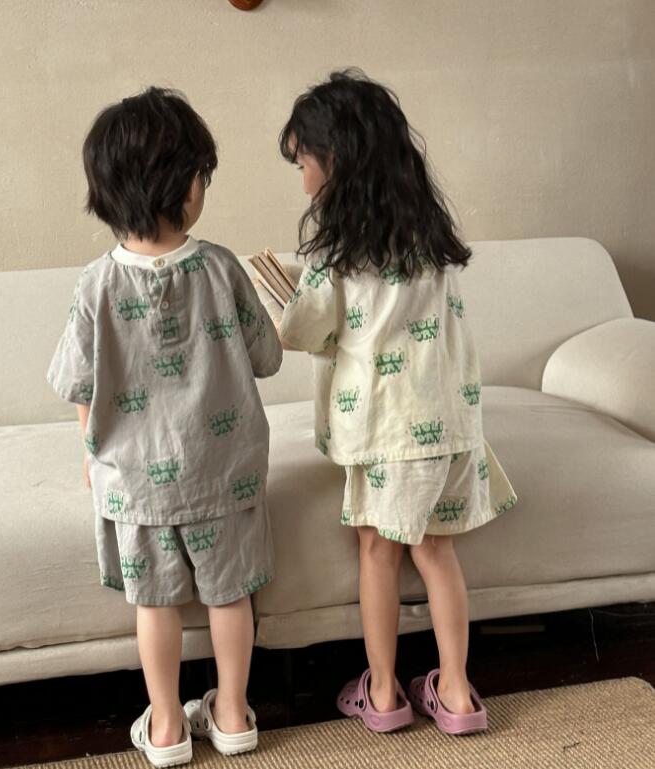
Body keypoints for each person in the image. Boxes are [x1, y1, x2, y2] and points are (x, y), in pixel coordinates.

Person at [275, 70, 517, 735]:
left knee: (377, 552)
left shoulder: (335, 251)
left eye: (303, 163)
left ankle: (383, 693)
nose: (303, 181)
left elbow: (306, 330)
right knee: (437, 551)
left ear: (336, 160)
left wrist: (282, 301)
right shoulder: (430, 239)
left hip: (384, 431)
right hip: (448, 424)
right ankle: (458, 693)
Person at [47, 87, 282, 766]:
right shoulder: (222, 268)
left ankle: (167, 727)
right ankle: (232, 715)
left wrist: (91, 453)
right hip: (225, 475)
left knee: (154, 605)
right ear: (187, 186)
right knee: (231, 596)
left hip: (137, 486)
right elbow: (266, 357)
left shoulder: (94, 284)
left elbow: (79, 384)